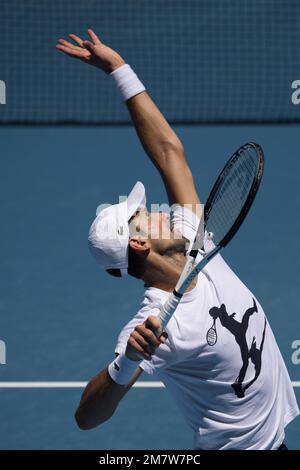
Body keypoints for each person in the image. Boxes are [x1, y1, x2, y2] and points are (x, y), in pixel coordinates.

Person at [56, 29, 299, 450]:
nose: (156, 212)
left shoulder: (192, 238)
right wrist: (127, 360)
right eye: (142, 216)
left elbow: (169, 152)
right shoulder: (156, 329)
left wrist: (118, 69)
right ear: (137, 245)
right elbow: (85, 419)